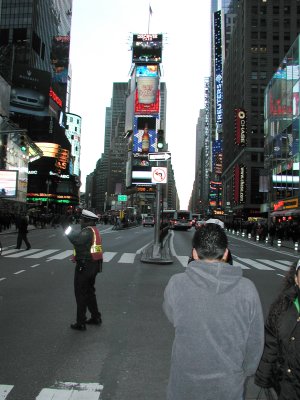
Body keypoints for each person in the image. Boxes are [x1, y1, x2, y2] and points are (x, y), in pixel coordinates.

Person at [163, 223, 264, 400]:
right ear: (226, 253)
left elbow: (173, 317)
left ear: (194, 253)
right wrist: (245, 371)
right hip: (228, 387)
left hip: (184, 385)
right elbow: (255, 339)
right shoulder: (247, 289)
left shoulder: (177, 283)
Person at [255, 260, 300, 399]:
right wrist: (263, 378)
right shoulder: (283, 306)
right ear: (296, 279)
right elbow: (271, 344)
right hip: (285, 387)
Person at [63, 209, 103, 331]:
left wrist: (65, 227)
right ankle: (96, 317)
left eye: (82, 219)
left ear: (87, 221)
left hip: (86, 265)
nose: (80, 221)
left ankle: (81, 322)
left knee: (80, 293)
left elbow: (76, 240)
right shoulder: (93, 230)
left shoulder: (87, 232)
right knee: (89, 292)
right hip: (93, 265)